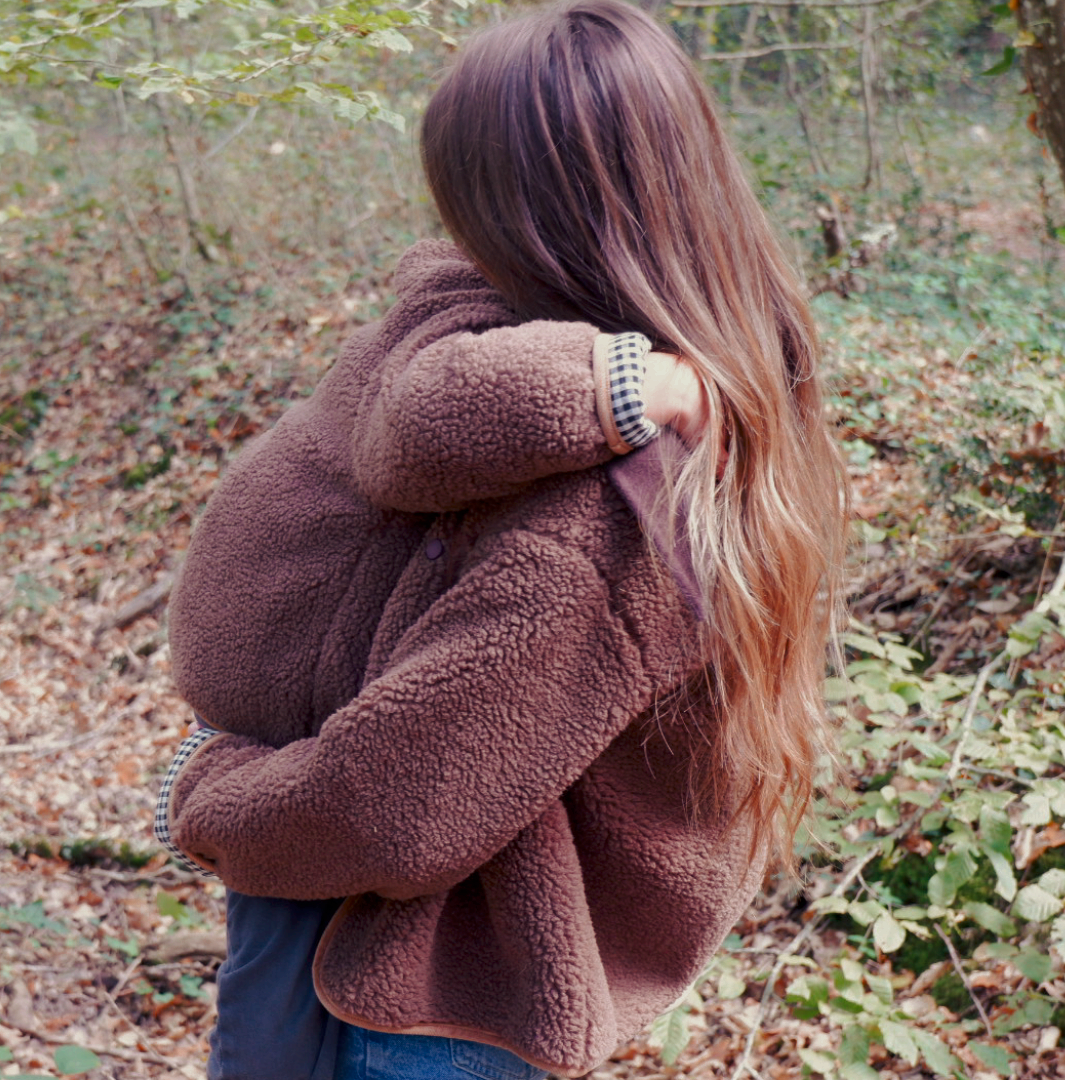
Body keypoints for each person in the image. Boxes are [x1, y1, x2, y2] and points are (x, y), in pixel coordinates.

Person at [156, 2, 847, 1078]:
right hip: (369, 928)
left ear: (523, 210)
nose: (453, 233)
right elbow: (403, 435)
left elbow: (395, 803)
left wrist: (207, 799)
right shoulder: (493, 328)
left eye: (470, 202)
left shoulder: (625, 503)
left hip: (443, 988)